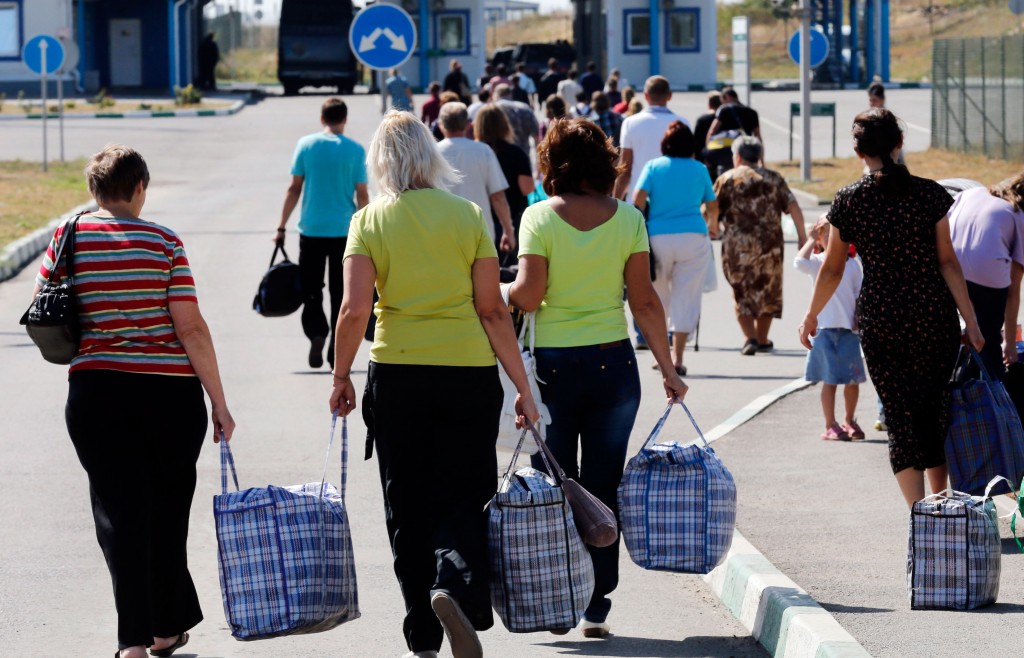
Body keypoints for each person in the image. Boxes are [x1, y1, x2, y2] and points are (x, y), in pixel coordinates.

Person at [328, 111, 540, 658]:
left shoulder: (368, 221)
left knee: (406, 501)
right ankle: (455, 586)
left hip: (397, 376)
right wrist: (522, 385)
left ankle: (421, 635)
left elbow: (354, 310)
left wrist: (341, 375)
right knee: (466, 492)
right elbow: (492, 309)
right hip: (468, 374)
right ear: (429, 156)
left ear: (381, 162)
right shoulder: (468, 215)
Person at [38, 145, 236, 658]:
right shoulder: (165, 242)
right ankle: (165, 629)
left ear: (94, 189)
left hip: (97, 392)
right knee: (167, 513)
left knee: (120, 515)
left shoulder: (68, 236)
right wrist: (218, 400)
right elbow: (190, 328)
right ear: (140, 187)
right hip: (170, 397)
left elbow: (47, 302)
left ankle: (135, 641)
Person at [508, 118, 688, 639]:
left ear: (553, 161)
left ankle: (560, 592)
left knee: (556, 483)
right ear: (604, 162)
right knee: (603, 482)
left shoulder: (538, 216)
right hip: (614, 364)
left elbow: (529, 296)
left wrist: (500, 292)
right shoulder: (628, 217)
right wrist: (669, 368)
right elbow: (644, 301)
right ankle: (597, 604)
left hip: (552, 369)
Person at [798, 108, 984, 508]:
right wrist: (970, 320)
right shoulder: (930, 194)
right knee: (934, 409)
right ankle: (941, 505)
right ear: (900, 143)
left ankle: (918, 514)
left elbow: (832, 269)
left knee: (899, 417)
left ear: (858, 151)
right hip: (933, 314)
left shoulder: (850, 200)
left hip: (883, 319)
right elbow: (948, 262)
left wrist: (812, 315)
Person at [276, 98, 369, 369]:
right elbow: (362, 195)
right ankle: (335, 349)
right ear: (345, 119)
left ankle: (317, 332)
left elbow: (294, 188)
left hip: (312, 229)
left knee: (312, 289)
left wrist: (281, 226)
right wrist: (367, 230)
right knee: (341, 292)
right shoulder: (355, 150)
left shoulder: (306, 145)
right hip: (345, 232)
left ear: (322, 118)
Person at [632, 121, 719, 375]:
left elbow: (637, 199)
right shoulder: (699, 168)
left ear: (665, 144)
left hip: (657, 237)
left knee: (659, 298)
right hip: (693, 236)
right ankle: (677, 358)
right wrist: (713, 225)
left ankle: (662, 357)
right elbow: (712, 204)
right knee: (686, 297)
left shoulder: (653, 167)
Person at [715, 136, 807, 355]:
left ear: (737, 156)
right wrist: (803, 237)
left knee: (741, 291)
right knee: (768, 292)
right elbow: (793, 206)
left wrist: (711, 227)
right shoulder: (774, 178)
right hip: (770, 246)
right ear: (759, 155)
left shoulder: (727, 179)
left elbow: (711, 208)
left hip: (738, 247)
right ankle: (763, 338)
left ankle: (750, 338)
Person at [794, 217, 867, 441]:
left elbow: (858, 292)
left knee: (853, 380)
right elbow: (799, 262)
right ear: (820, 239)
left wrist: (858, 316)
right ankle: (830, 424)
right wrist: (810, 240)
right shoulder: (818, 262)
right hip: (824, 330)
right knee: (830, 380)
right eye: (827, 235)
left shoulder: (852, 265)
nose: (833, 239)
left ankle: (849, 420)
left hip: (848, 331)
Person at [948, 171, 1024, 377]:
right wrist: (1009, 343)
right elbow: (1013, 291)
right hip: (986, 277)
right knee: (989, 343)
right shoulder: (1018, 214)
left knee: (962, 335)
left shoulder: (971, 193)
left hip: (949, 269)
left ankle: (957, 381)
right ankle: (992, 391)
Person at [436, 102, 516, 252]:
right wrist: (508, 230)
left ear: (441, 125)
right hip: (479, 229)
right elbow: (497, 196)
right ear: (468, 125)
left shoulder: (432, 154)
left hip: (442, 231)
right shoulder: (483, 151)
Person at [612, 76, 686, 202]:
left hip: (638, 201)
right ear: (670, 96)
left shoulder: (630, 123)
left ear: (646, 95)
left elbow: (625, 168)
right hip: (673, 200)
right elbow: (688, 166)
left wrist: (615, 201)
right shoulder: (682, 124)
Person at [475, 104, 533, 243]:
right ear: (504, 125)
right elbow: (527, 189)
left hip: (480, 219)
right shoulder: (516, 153)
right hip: (512, 218)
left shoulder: (474, 153)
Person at [704, 87, 763, 177]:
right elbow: (758, 136)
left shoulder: (724, 110)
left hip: (726, 151)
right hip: (746, 152)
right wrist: (761, 160)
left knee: (726, 177)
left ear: (727, 97)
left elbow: (712, 131)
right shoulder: (752, 112)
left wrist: (708, 152)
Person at [492, 83, 539, 157]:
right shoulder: (524, 108)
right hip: (523, 154)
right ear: (510, 94)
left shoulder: (492, 109)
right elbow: (536, 133)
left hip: (499, 156)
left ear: (496, 94)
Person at [693, 90, 723, 181]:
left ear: (709, 104)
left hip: (704, 160)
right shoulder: (724, 119)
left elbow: (696, 143)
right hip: (722, 160)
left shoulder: (702, 119)